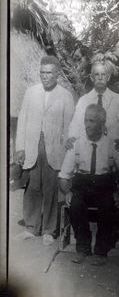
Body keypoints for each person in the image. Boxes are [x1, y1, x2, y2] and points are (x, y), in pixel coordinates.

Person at [59, 104, 119, 266]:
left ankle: (101, 251)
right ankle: (82, 248)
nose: (87, 125)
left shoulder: (113, 145)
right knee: (75, 204)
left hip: (104, 184)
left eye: (92, 121)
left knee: (108, 204)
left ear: (102, 123)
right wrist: (67, 191)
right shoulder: (76, 144)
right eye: (86, 120)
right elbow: (64, 177)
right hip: (81, 184)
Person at [15, 55, 74, 245]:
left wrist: (67, 154)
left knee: (50, 188)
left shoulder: (65, 95)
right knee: (32, 187)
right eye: (42, 72)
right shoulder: (31, 92)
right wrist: (20, 148)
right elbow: (22, 121)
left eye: (49, 73)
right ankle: (31, 227)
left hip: (54, 148)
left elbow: (70, 128)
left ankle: (49, 230)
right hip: (33, 145)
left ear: (57, 74)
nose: (45, 76)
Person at [66, 60, 119, 151]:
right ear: (92, 78)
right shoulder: (83, 100)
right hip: (87, 149)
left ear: (108, 77)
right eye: (96, 75)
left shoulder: (118, 100)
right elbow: (75, 123)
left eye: (103, 74)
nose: (100, 78)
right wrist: (72, 137)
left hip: (111, 149)